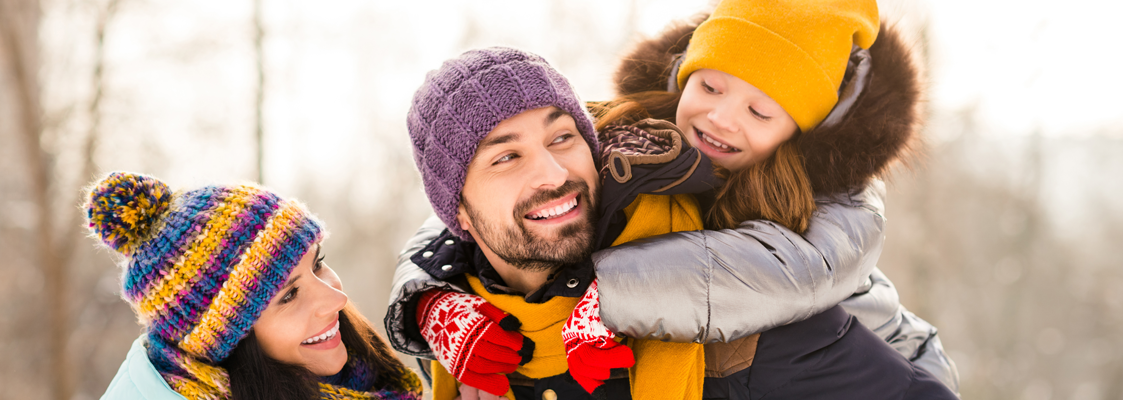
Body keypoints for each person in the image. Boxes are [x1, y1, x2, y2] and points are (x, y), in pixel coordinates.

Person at [386, 31, 951, 400]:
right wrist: (426, 300)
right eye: (506, 156)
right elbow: (447, 237)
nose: (552, 174)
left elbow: (805, 271)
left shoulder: (762, 301)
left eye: (562, 138)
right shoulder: (467, 342)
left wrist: (609, 296)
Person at [88, 172, 423, 400]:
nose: (337, 298)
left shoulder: (358, 378)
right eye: (289, 295)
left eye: (317, 264)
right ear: (226, 344)